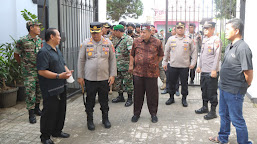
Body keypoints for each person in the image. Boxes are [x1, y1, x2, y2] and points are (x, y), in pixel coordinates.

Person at [209, 18, 253, 144]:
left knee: (237, 119)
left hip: (234, 90)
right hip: (224, 88)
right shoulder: (229, 46)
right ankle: (223, 138)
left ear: (237, 30)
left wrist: (245, 85)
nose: (225, 31)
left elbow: (248, 72)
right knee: (224, 115)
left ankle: (244, 142)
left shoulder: (243, 48)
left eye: (228, 29)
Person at [77, 22, 117, 131]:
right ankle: (90, 120)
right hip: (90, 79)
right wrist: (80, 76)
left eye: (97, 33)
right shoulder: (85, 43)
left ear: (101, 31)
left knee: (104, 100)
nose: (95, 35)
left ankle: (105, 119)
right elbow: (81, 60)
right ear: (91, 32)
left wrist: (112, 75)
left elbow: (112, 59)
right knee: (90, 101)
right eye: (93, 33)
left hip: (104, 78)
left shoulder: (108, 43)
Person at [37, 28, 73, 144]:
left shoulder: (56, 49)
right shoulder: (44, 52)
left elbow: (63, 64)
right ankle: (45, 136)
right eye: (58, 35)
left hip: (61, 85)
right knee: (49, 112)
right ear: (51, 37)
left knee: (61, 110)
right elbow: (41, 71)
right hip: (50, 87)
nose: (60, 38)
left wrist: (68, 74)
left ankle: (57, 131)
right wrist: (58, 76)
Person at [129, 24, 164, 123]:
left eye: (144, 32)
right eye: (141, 32)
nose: (142, 34)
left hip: (152, 74)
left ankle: (153, 114)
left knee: (152, 95)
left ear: (150, 32)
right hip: (138, 73)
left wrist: (155, 62)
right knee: (137, 95)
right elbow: (132, 54)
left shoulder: (157, 42)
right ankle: (136, 114)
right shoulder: (136, 42)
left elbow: (161, 55)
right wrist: (131, 65)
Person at [14, 21, 42, 124]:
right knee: (30, 92)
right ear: (31, 28)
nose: (39, 28)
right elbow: (16, 54)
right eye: (37, 26)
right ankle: (31, 114)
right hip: (28, 71)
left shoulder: (39, 40)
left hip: (39, 70)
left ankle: (37, 109)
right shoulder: (22, 41)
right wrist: (23, 65)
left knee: (39, 90)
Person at [163, 22, 197, 107]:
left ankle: (184, 99)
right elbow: (166, 51)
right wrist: (165, 62)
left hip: (184, 66)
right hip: (173, 65)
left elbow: (194, 52)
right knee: (171, 82)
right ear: (176, 29)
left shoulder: (189, 40)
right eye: (178, 28)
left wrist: (193, 63)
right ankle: (171, 97)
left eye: (181, 28)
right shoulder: (171, 39)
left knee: (184, 84)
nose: (180, 29)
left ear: (184, 29)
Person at [195, 21, 221, 120]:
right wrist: (199, 66)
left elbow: (217, 56)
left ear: (213, 29)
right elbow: (201, 54)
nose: (205, 30)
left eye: (207, 28)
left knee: (212, 91)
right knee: (204, 90)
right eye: (204, 28)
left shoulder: (216, 40)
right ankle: (205, 107)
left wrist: (214, 70)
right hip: (204, 70)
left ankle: (213, 111)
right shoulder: (205, 40)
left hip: (211, 71)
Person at [111, 24, 134, 107]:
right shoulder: (114, 39)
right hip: (116, 65)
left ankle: (130, 98)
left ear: (118, 31)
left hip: (126, 65)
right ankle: (120, 96)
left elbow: (131, 52)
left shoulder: (128, 39)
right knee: (118, 82)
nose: (113, 32)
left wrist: (131, 65)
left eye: (114, 31)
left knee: (128, 82)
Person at [161, 27, 180, 97]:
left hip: (176, 61)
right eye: (171, 30)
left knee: (177, 77)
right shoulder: (169, 38)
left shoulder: (179, 39)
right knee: (168, 76)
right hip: (169, 61)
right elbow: (166, 49)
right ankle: (167, 88)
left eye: (173, 30)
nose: (171, 31)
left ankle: (177, 89)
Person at [150, 26, 166, 90]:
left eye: (154, 30)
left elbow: (161, 47)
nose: (153, 32)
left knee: (159, 68)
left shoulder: (157, 37)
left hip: (156, 56)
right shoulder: (143, 38)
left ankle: (164, 82)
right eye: (152, 30)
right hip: (148, 58)